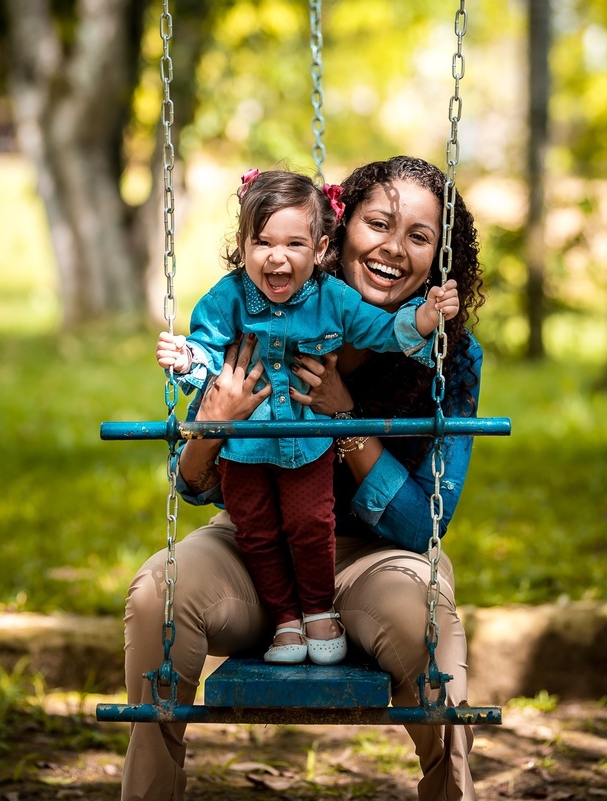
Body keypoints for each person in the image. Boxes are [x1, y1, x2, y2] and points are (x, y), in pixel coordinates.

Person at [123, 155, 485, 801]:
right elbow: (195, 487)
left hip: (373, 561)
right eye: (378, 224)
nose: (392, 249)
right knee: (160, 592)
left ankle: (451, 791)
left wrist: (346, 420)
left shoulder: (448, 355)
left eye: (419, 236)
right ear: (338, 232)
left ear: (440, 256)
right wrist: (215, 420)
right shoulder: (252, 313)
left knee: (427, 621)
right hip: (251, 544)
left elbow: (419, 526)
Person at [156, 168, 460, 666]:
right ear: (245, 245)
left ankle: (317, 611)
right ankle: (285, 622)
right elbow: (206, 358)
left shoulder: (335, 303)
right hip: (245, 451)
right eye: (263, 243)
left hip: (316, 461)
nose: (277, 257)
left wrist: (425, 319)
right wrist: (191, 366)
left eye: (418, 236)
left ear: (319, 248)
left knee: (309, 523)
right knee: (254, 531)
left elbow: (383, 330)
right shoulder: (229, 299)